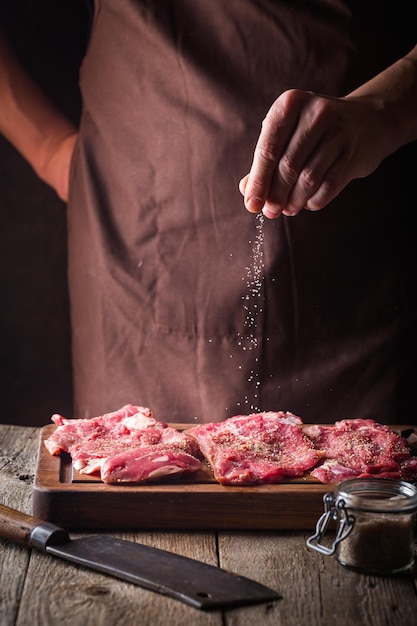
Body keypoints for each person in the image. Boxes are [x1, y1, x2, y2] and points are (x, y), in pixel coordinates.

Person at [1, 1, 416, 425]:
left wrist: (388, 108)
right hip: (135, 235)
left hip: (351, 235)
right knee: (130, 474)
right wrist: (48, 150)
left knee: (364, 475)